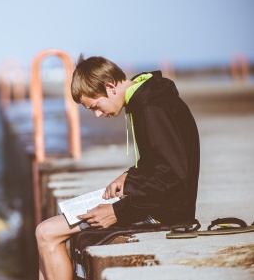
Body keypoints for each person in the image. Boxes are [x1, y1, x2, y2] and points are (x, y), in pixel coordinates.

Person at [35, 55, 200, 280]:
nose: (98, 114)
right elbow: (161, 162)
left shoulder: (151, 108)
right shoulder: (147, 98)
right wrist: (128, 176)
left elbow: (174, 175)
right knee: (47, 230)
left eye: (95, 106)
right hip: (157, 202)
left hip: (166, 212)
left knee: (46, 233)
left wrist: (116, 212)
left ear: (110, 86)